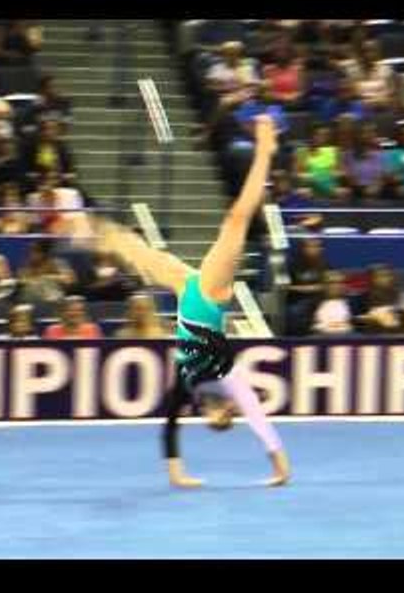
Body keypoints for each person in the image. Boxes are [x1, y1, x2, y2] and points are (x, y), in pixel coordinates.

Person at [78, 116, 289, 488]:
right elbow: (258, 417)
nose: (216, 417)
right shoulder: (229, 379)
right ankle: (265, 153)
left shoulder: (188, 385)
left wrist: (177, 474)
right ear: (228, 409)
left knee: (137, 253)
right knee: (237, 219)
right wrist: (280, 467)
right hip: (209, 295)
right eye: (224, 418)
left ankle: (96, 227)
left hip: (187, 291)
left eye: (212, 423)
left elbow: (170, 423)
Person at [294, 125, 347, 200]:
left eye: (325, 135)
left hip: (330, 184)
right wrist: (307, 176)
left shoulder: (334, 151)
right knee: (304, 192)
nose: (323, 138)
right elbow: (295, 174)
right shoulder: (301, 152)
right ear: (311, 136)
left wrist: (331, 174)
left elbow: (342, 172)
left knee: (342, 192)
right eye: (319, 135)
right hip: (310, 186)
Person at [311, 270, 354, 335]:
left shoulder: (351, 303)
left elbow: (352, 324)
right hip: (321, 337)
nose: (335, 286)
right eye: (331, 283)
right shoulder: (314, 303)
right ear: (325, 285)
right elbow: (313, 326)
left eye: (339, 283)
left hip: (345, 336)